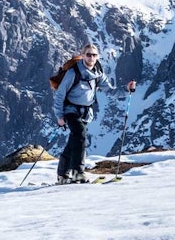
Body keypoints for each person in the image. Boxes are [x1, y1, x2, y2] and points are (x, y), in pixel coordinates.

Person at [53, 43, 136, 184]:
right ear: (83, 55)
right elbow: (60, 95)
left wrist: (126, 89)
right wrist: (60, 116)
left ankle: (62, 174)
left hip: (85, 113)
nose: (91, 57)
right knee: (80, 135)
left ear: (98, 57)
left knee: (74, 141)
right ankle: (78, 172)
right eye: (88, 54)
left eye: (94, 55)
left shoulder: (98, 73)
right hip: (70, 110)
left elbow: (110, 91)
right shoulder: (73, 73)